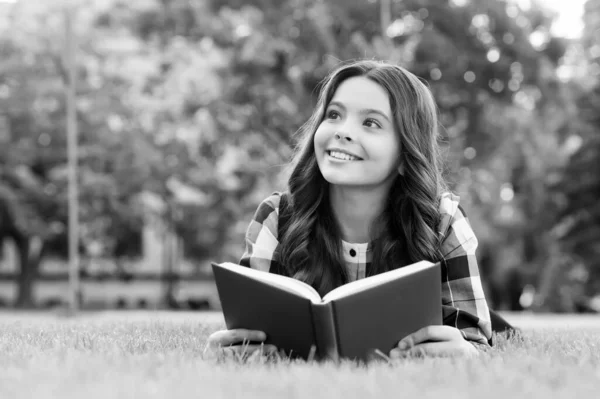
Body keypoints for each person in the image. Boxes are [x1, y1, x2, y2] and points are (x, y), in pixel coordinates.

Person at [207, 59, 494, 359]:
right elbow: (244, 333)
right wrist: (230, 349)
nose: (342, 131)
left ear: (405, 156)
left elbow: (476, 344)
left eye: (371, 122)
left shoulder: (443, 220)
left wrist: (468, 352)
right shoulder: (275, 217)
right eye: (334, 115)